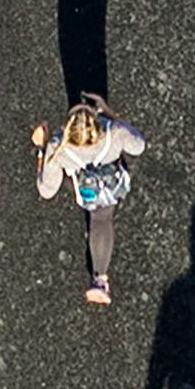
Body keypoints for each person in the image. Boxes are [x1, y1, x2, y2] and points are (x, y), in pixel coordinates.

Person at [32, 91, 149, 292]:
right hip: (111, 183)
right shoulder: (114, 132)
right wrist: (111, 113)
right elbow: (139, 146)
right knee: (103, 220)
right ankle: (100, 277)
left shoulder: (58, 145)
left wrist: (42, 148)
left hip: (84, 186)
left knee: (94, 216)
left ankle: (99, 281)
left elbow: (46, 191)